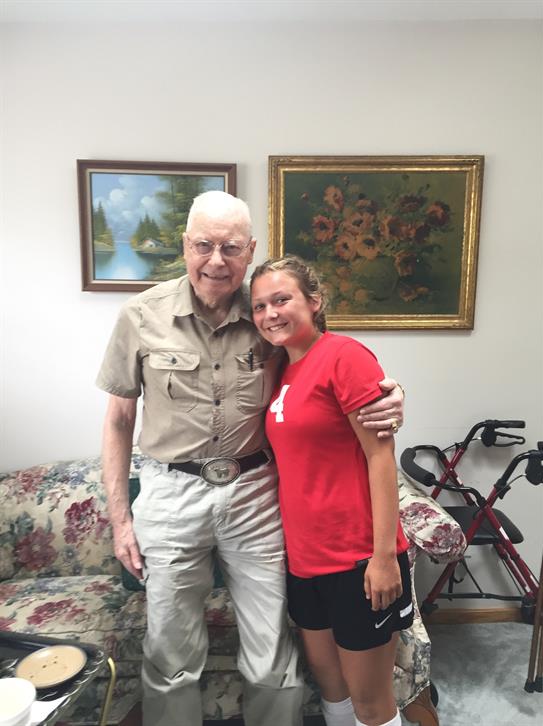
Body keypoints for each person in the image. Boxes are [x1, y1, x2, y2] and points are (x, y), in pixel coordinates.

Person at [96, 191, 405, 726]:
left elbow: (330, 369)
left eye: (231, 247)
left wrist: (391, 395)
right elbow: (119, 421)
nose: (216, 261)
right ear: (185, 245)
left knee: (271, 653)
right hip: (171, 494)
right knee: (170, 654)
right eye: (204, 245)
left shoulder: (267, 313)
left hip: (254, 492)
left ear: (250, 249)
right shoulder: (140, 315)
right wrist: (120, 518)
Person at [250, 255, 413, 726]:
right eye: (259, 306)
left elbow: (381, 458)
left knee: (371, 702)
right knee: (332, 689)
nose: (270, 313)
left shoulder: (344, 356)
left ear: (314, 302)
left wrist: (383, 558)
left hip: (358, 560)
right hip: (305, 563)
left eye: (281, 299)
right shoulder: (280, 369)